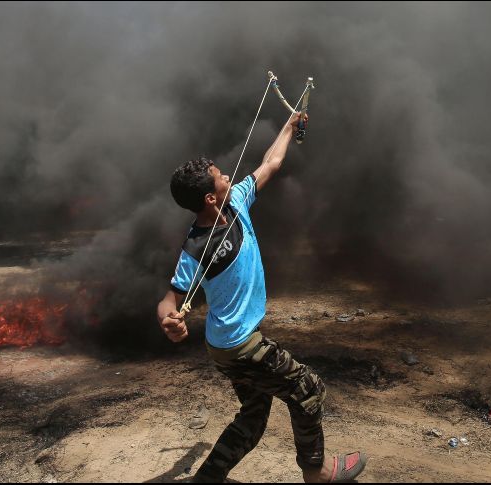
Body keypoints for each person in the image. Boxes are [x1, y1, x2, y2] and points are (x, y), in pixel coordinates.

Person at [156, 112, 367, 483]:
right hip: (239, 345)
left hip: (226, 346)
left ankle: (207, 479)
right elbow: (170, 297)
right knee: (309, 389)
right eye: (220, 176)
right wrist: (168, 318)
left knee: (253, 417)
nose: (227, 177)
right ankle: (316, 472)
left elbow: (272, 162)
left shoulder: (236, 199)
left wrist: (288, 126)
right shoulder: (196, 248)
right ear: (209, 197)